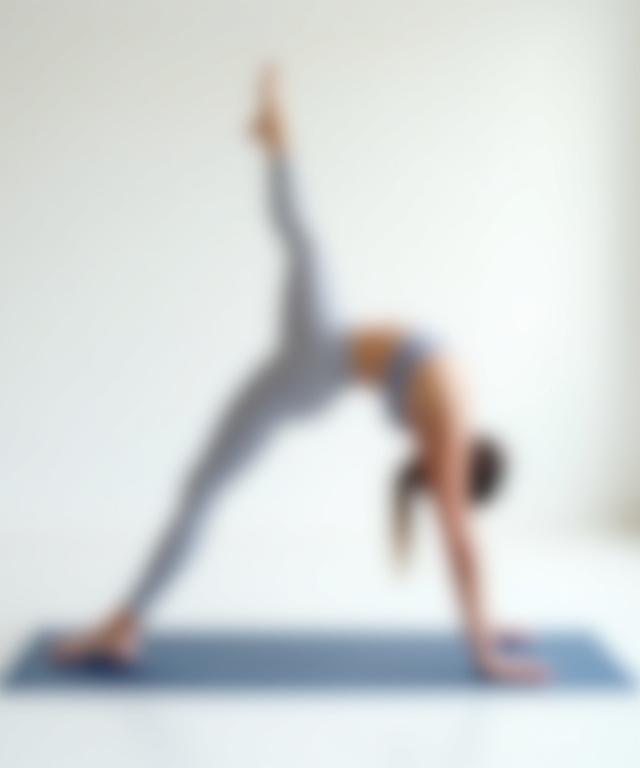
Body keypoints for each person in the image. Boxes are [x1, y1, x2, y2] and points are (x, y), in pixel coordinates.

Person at [54, 67, 549, 684]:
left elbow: (460, 543)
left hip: (315, 364)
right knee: (205, 484)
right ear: (468, 463)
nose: (432, 471)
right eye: (444, 475)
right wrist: (487, 629)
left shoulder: (454, 409)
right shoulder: (453, 407)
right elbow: (463, 541)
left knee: (307, 251)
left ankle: (123, 623)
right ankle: (274, 135)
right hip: (318, 362)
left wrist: (486, 651)